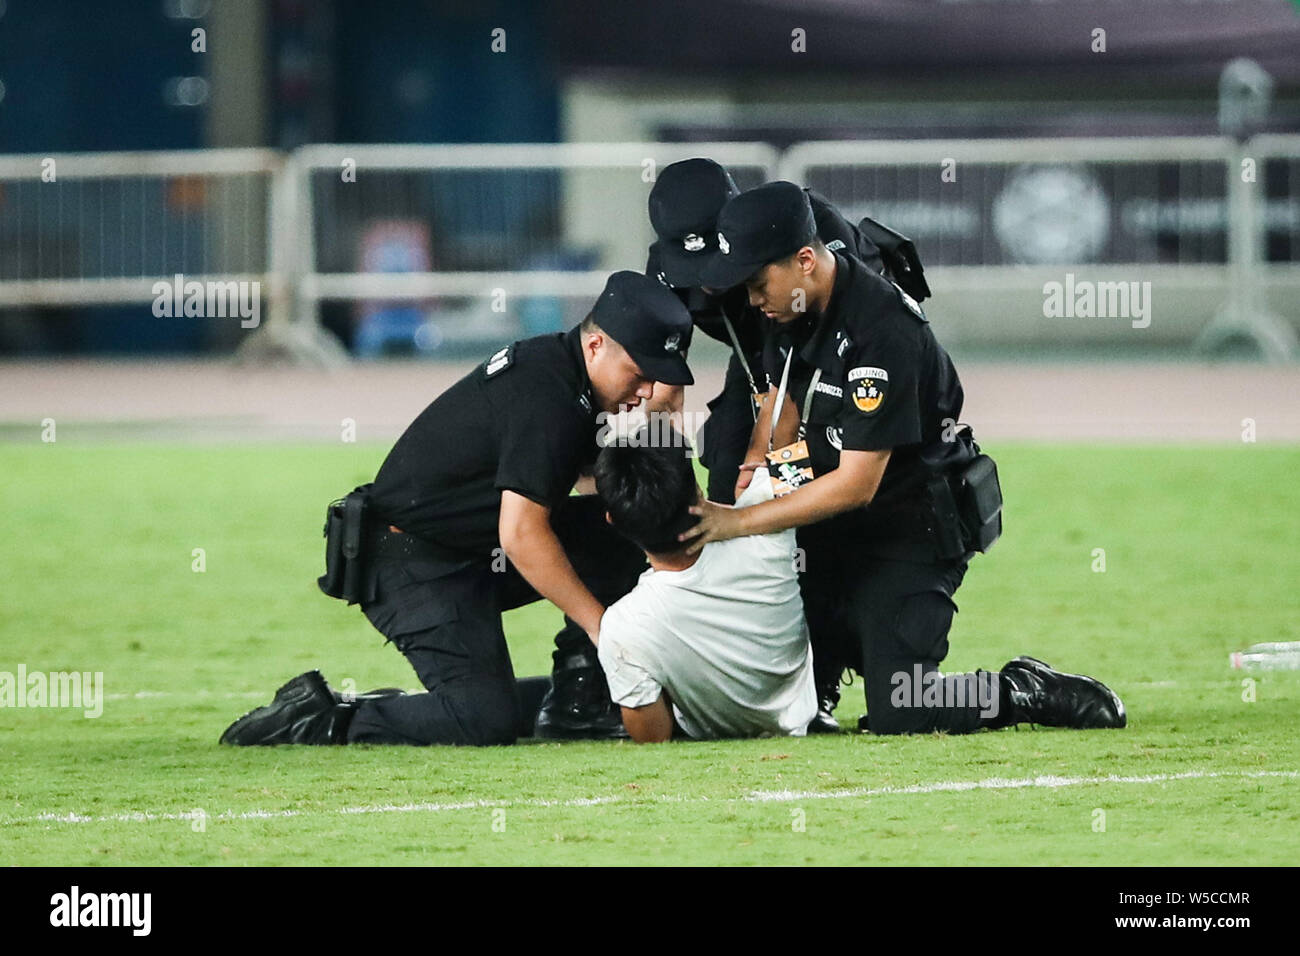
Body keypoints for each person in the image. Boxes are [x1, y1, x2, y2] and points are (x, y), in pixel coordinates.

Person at [682, 181, 1126, 735]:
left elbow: (856, 485)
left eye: (756, 283)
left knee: (904, 707)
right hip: (832, 529)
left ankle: (1022, 690)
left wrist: (738, 520)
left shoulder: (881, 328)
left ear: (804, 260)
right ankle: (825, 667)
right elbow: (782, 400)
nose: (751, 300)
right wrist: (759, 467)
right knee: (764, 665)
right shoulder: (788, 310)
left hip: (907, 531)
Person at [220, 271, 695, 747]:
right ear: (595, 347)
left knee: (619, 527)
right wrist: (603, 629)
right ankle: (322, 717)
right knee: (483, 721)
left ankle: (581, 701)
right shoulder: (548, 397)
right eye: (641, 374)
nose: (648, 390)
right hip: (409, 562)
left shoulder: (564, 372)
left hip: (464, 548)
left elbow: (600, 490)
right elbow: (521, 534)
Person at [643, 157, 895, 731]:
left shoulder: (812, 235)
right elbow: (661, 380)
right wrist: (647, 469)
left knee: (802, 488)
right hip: (756, 361)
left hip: (829, 363)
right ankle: (730, 658)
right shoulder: (664, 269)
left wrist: (775, 447)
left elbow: (854, 342)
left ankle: (819, 670)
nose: (704, 273)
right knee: (724, 484)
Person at [592, 427, 816, 742]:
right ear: (697, 490)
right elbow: (786, 427)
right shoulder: (770, 522)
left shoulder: (622, 626)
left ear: (612, 521)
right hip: (805, 713)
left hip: (702, 731)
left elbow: (652, 736)